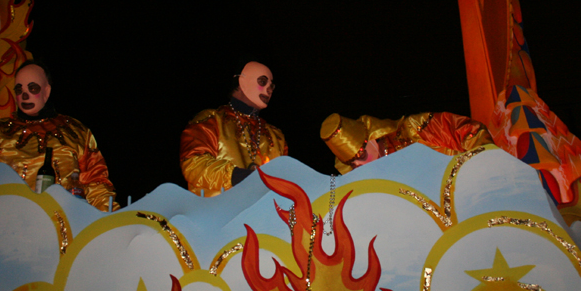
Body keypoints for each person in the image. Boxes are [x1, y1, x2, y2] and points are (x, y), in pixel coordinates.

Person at [0, 60, 119, 211]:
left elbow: (97, 183)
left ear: (46, 91)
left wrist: (110, 221)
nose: (25, 95)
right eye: (19, 89)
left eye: (32, 88)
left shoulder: (76, 132)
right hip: (4, 223)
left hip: (61, 226)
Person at [180, 61, 287, 197]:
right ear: (242, 81)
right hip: (218, 208)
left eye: (271, 86)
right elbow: (193, 165)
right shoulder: (210, 120)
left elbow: (285, 179)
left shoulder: (276, 136)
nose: (269, 90)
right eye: (262, 82)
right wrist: (235, 175)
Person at [320, 111, 494, 175]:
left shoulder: (413, 130)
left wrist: (482, 170)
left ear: (374, 137)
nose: (361, 166)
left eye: (362, 155)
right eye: (353, 164)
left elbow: (470, 132)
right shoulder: (377, 186)